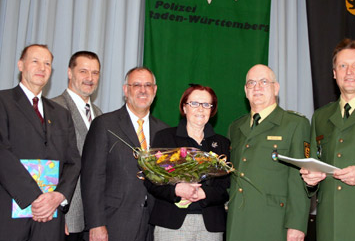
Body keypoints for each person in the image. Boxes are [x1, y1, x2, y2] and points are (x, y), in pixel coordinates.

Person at [300, 39, 355, 241]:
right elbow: (315, 163)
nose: (349, 72)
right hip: (330, 225)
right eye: (342, 66)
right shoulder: (321, 116)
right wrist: (310, 181)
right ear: (334, 73)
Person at [0, 44, 81, 240]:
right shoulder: (3, 101)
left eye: (47, 63)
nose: (42, 68)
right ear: (21, 65)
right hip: (12, 211)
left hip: (51, 216)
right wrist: (35, 198)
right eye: (35, 61)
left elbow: (73, 161)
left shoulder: (61, 114)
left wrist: (59, 196)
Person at [81, 67, 168, 241]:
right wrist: (96, 224)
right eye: (136, 85)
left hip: (153, 225)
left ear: (155, 90)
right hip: (114, 222)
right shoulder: (104, 125)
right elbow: (92, 178)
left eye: (148, 85)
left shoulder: (164, 131)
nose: (143, 90)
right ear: (126, 90)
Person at [226, 64, 310, 241]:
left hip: (274, 223)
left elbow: (299, 179)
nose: (257, 87)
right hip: (237, 222)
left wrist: (296, 225)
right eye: (251, 83)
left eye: (264, 82)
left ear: (276, 88)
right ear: (245, 91)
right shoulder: (235, 127)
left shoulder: (294, 124)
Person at [145, 84, 230, 241]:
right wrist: (177, 189)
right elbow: (152, 180)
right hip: (171, 223)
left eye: (206, 104)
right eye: (194, 103)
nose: (200, 109)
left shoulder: (222, 143)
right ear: (184, 108)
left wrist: (205, 193)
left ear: (212, 110)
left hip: (210, 226)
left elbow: (225, 187)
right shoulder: (165, 137)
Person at [52, 51, 103, 241]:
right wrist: (58, 212)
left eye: (95, 73)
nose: (90, 78)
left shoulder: (99, 114)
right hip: (66, 216)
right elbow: (50, 163)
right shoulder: (53, 108)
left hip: (92, 219)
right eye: (83, 71)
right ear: (69, 72)